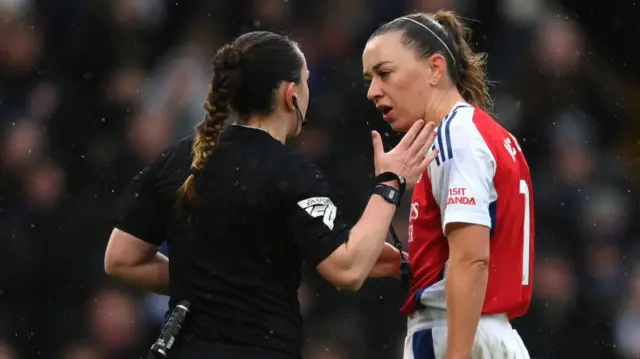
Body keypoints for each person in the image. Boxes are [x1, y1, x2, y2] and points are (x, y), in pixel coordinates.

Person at [104, 30, 439, 359]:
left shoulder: (179, 158)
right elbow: (347, 269)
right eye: (306, 82)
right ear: (291, 94)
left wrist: (209, 283)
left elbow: (121, 258)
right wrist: (390, 184)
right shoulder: (290, 173)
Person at [362, 11, 535, 359]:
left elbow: (472, 261)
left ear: (435, 69)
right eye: (369, 78)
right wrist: (413, 264)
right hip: (488, 332)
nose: (371, 91)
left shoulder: (456, 136)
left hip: (454, 333)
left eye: (384, 73)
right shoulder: (491, 135)